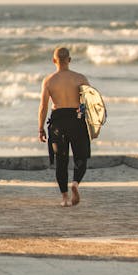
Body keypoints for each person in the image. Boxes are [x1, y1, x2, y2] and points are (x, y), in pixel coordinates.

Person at [38, 46, 90, 207]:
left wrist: (40, 127)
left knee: (61, 160)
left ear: (54, 60)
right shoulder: (80, 78)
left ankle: (65, 198)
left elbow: (43, 106)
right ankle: (75, 183)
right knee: (81, 156)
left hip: (58, 122)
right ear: (70, 60)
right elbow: (89, 104)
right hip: (76, 120)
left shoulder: (49, 80)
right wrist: (92, 125)